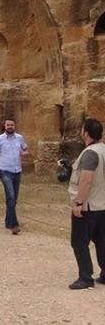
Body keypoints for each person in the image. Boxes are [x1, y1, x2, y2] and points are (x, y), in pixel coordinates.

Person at [67, 118, 105, 290]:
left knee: (79, 242)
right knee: (102, 241)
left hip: (89, 206)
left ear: (86, 133)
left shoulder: (90, 153)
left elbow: (86, 179)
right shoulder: (103, 149)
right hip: (102, 205)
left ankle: (85, 277)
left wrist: (79, 202)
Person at [0, 118, 29, 235]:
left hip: (17, 171)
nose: (10, 127)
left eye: (12, 125)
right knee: (11, 196)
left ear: (15, 126)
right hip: (4, 170)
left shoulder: (19, 138)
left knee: (13, 199)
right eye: (8, 125)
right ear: (4, 126)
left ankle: (8, 221)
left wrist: (24, 153)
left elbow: (25, 149)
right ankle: (14, 225)